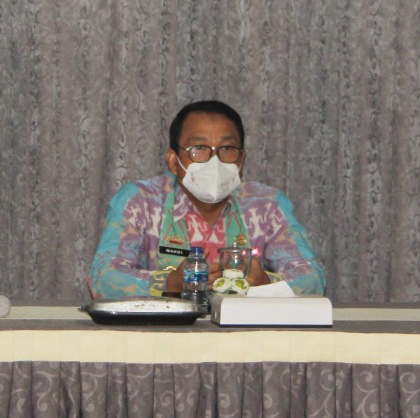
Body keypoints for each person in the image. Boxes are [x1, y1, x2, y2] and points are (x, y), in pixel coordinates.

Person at [88, 100, 325, 299]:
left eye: (227, 148)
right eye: (199, 148)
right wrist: (169, 282)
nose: (215, 161)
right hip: (163, 334)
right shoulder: (140, 201)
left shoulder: (268, 204)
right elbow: (102, 279)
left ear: (242, 159)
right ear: (173, 160)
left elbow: (312, 280)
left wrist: (265, 283)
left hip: (246, 335)